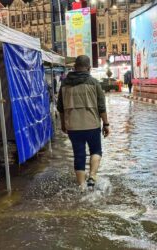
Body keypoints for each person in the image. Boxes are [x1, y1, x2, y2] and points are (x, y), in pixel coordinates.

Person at [57, 55, 110, 192]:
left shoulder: (64, 84)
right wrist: (106, 124)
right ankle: (92, 176)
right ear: (89, 68)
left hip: (73, 127)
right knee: (96, 151)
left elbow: (60, 108)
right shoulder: (94, 83)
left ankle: (81, 187)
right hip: (92, 125)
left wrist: (63, 124)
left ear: (74, 67)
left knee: (79, 155)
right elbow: (101, 106)